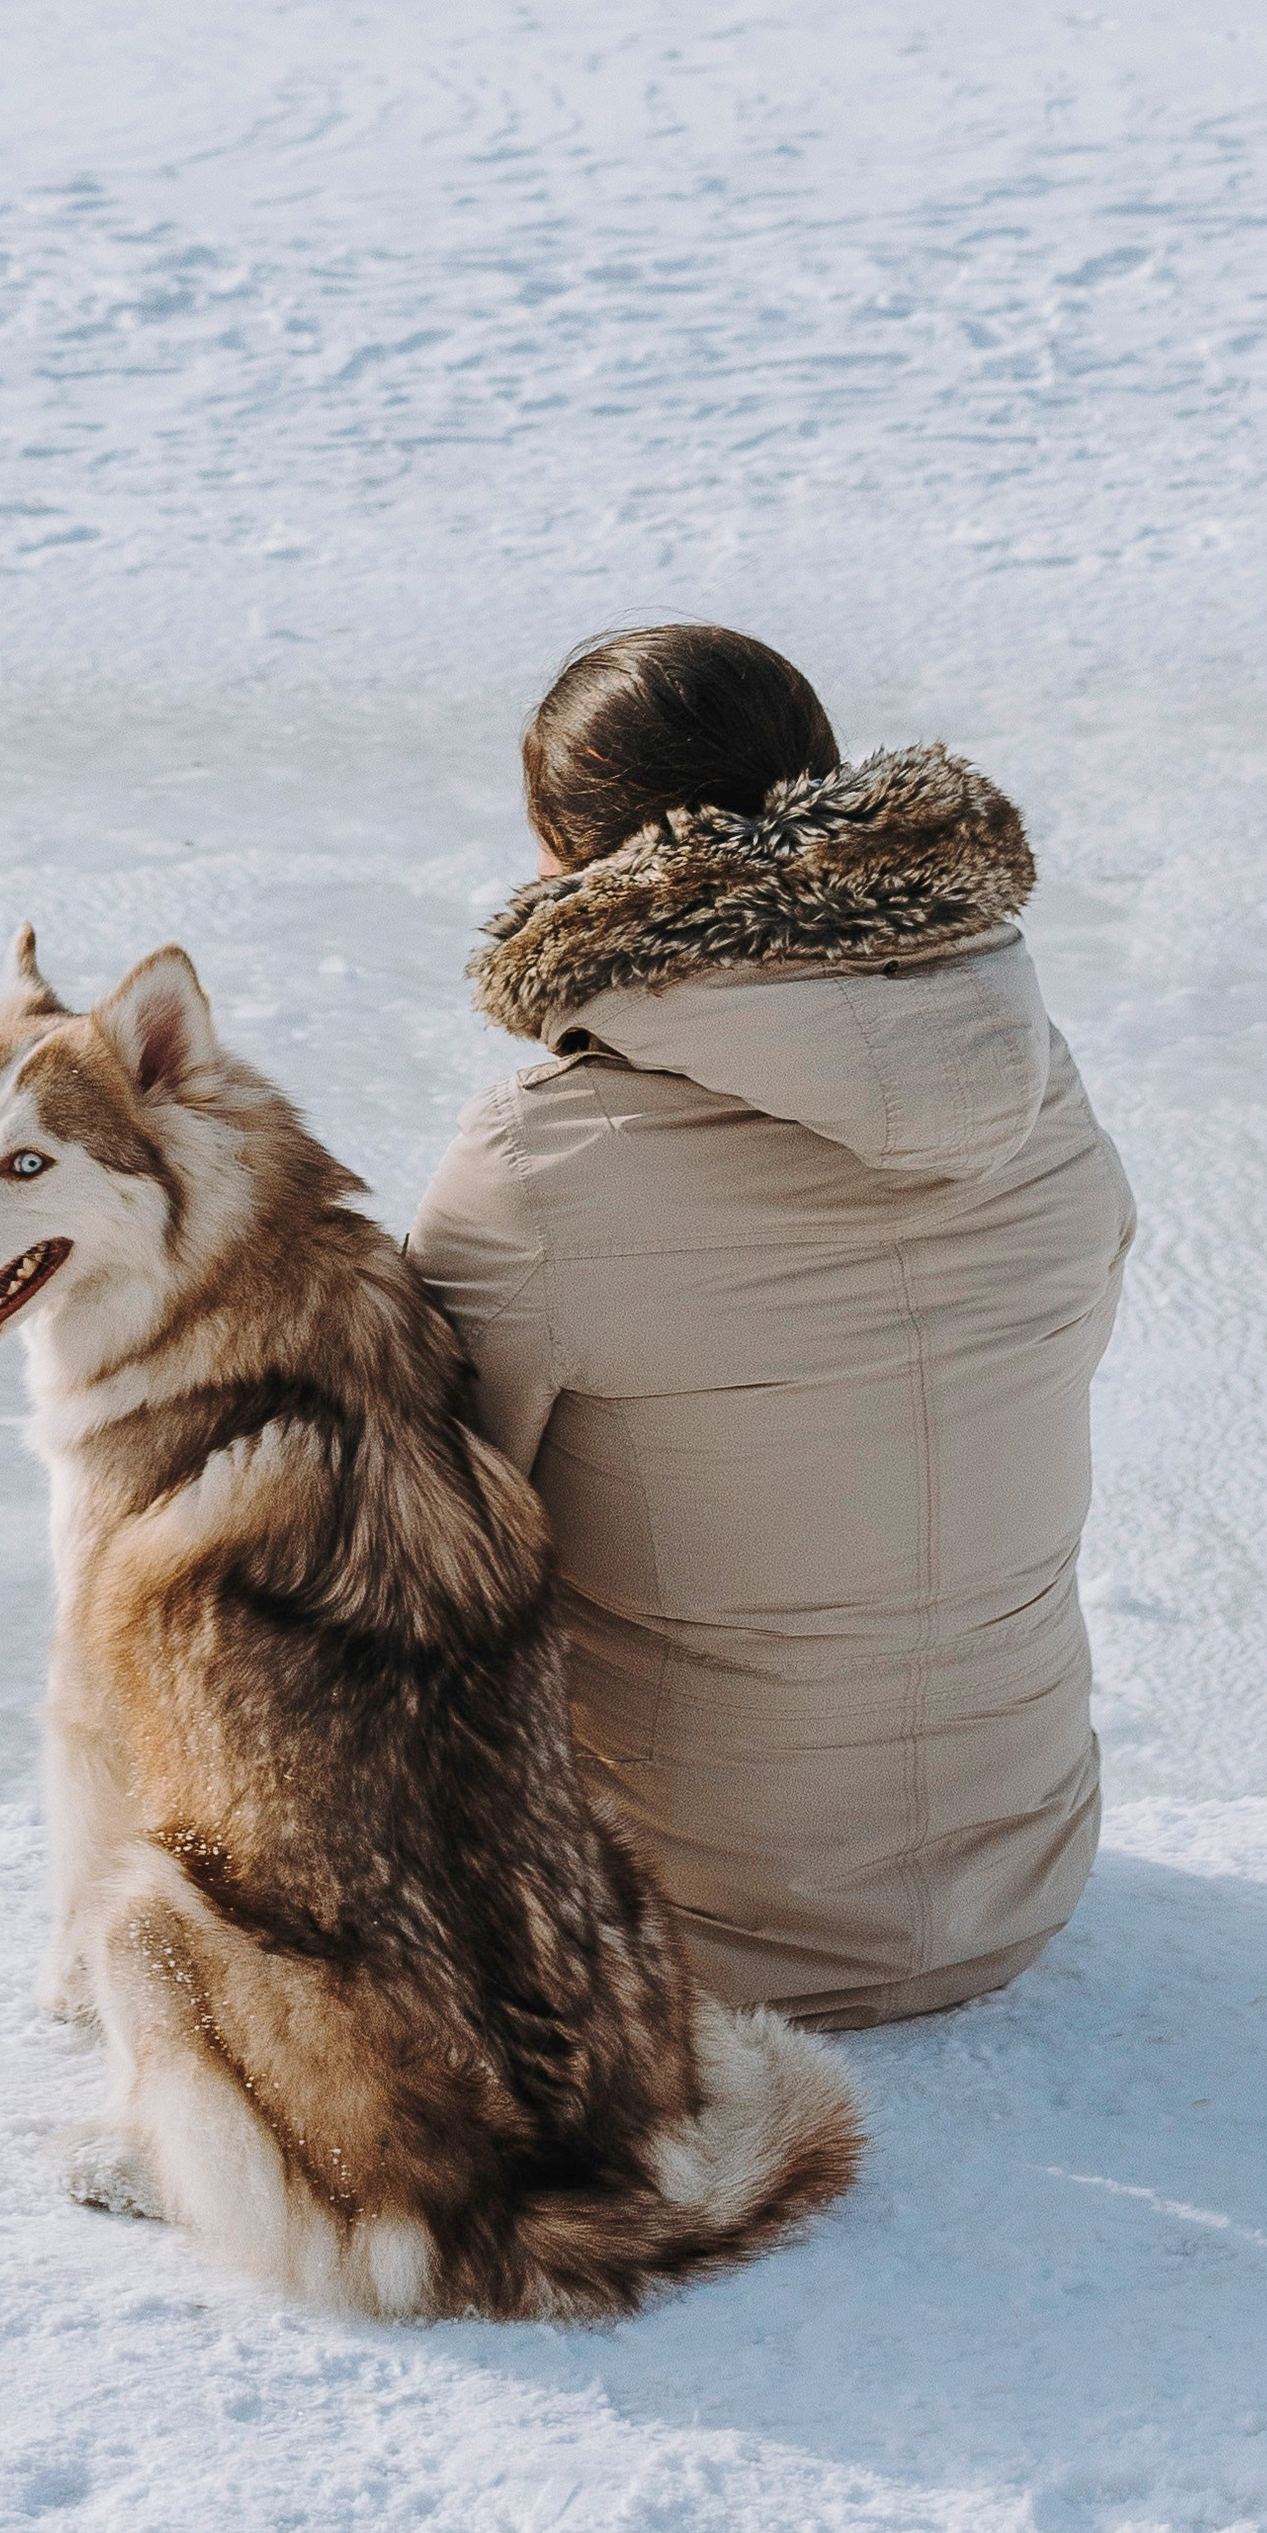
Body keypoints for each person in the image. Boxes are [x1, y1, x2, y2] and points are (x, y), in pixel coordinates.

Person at [408, 625, 1134, 2030]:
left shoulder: (542, 1161)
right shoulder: (1037, 1083)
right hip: (1019, 1875)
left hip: (689, 1925)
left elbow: (418, 1507)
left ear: (565, 856)